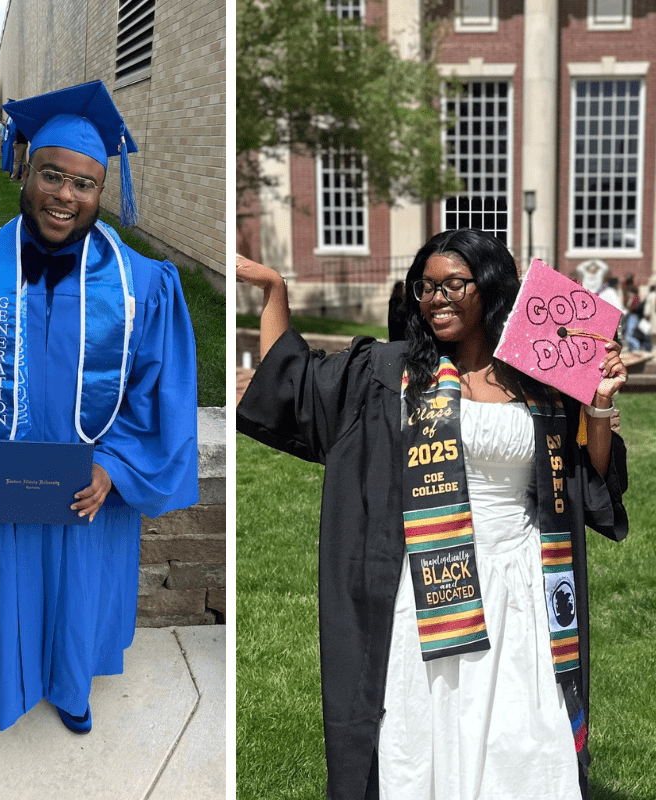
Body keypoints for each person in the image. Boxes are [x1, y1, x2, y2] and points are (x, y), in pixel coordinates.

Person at [236, 229, 629, 800]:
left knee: (523, 735)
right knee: (431, 723)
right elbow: (292, 386)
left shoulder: (541, 378)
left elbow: (587, 476)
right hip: (428, 577)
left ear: (491, 289)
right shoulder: (392, 372)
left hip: (523, 579)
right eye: (425, 287)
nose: (436, 297)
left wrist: (599, 400)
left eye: (453, 285)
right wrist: (274, 290)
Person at [0, 80, 196, 763]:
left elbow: (154, 390)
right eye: (53, 174)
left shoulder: (143, 284)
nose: (66, 196)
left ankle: (70, 679)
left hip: (90, 482)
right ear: (24, 169)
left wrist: (113, 467)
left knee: (81, 582)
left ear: (100, 190)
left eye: (85, 184)